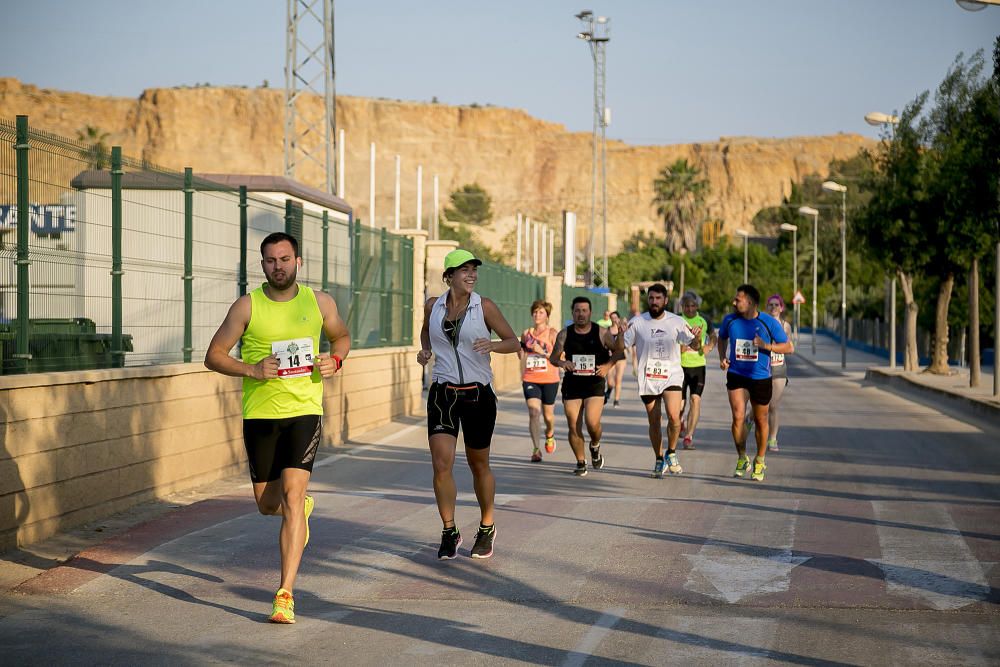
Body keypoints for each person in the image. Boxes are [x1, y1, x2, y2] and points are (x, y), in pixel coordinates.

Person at [205, 231, 350, 624]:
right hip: (260, 415)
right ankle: (298, 510)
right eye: (270, 260)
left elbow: (341, 337)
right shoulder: (246, 307)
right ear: (262, 264)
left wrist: (335, 361)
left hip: (305, 411)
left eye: (285, 259)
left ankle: (285, 592)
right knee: (268, 505)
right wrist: (251, 369)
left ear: (297, 262)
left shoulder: (319, 302)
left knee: (291, 491)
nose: (278, 266)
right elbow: (213, 356)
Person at [417, 248, 518, 560]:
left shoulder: (484, 306)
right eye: (465, 270)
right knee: (441, 464)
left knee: (478, 464)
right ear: (449, 276)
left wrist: (494, 345)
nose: (472, 275)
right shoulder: (433, 305)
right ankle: (449, 529)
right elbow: (425, 333)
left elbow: (514, 341)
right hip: (443, 393)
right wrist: (424, 352)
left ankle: (487, 526)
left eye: (474, 270)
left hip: (477, 394)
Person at [623, 284, 701, 478]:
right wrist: (617, 334)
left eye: (658, 298)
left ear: (665, 301)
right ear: (647, 300)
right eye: (651, 298)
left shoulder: (676, 321)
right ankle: (659, 458)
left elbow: (694, 344)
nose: (654, 302)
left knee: (674, 417)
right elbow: (622, 345)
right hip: (648, 378)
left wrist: (697, 338)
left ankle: (671, 452)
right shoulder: (638, 322)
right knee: (654, 421)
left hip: (672, 375)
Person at [717, 284, 792, 482]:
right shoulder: (730, 320)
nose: (734, 302)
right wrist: (722, 357)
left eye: (738, 299)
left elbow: (788, 347)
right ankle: (742, 457)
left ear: (750, 302)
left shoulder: (768, 322)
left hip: (760, 377)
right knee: (738, 417)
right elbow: (721, 338)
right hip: (736, 374)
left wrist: (766, 345)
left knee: (761, 420)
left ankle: (760, 460)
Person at [549, 296, 624, 477]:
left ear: (590, 312)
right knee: (573, 425)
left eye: (584, 310)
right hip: (573, 383)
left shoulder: (601, 332)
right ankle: (581, 461)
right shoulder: (564, 334)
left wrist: (607, 366)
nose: (581, 314)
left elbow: (618, 351)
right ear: (572, 312)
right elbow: (553, 358)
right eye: (577, 311)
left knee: (591, 422)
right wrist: (562, 363)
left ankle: (595, 445)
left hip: (594, 382)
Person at [519, 300, 560, 462]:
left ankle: (549, 434)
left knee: (548, 416)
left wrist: (541, 352)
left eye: (541, 312)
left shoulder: (552, 334)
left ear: (547, 316)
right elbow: (521, 355)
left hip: (550, 378)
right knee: (533, 412)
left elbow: (559, 358)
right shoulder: (526, 334)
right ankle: (536, 449)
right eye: (535, 312)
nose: (537, 315)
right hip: (530, 378)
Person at [678, 291, 717, 450]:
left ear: (697, 306)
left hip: (698, 365)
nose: (690, 309)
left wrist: (709, 346)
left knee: (695, 400)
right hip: (679, 366)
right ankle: (679, 422)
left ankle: (689, 436)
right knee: (679, 404)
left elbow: (714, 335)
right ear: (682, 306)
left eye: (693, 305)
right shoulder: (676, 319)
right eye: (686, 306)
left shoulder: (704, 319)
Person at [763, 294, 794, 451]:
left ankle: (773, 439)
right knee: (761, 404)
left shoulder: (785, 325)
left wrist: (776, 345)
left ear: (781, 308)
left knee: (773, 405)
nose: (773, 307)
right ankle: (749, 417)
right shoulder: (761, 323)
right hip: (763, 368)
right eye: (771, 305)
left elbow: (789, 347)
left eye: (776, 305)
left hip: (779, 368)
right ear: (767, 307)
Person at [605, 311, 628, 407]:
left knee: (618, 379)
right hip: (610, 357)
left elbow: (628, 342)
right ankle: (609, 389)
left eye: (615, 317)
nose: (614, 319)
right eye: (612, 317)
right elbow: (604, 343)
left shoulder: (622, 329)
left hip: (621, 357)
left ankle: (616, 400)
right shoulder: (607, 330)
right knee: (610, 381)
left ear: (618, 318)